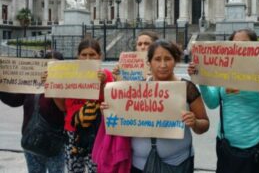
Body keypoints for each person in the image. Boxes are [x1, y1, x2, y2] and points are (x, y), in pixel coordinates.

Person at [188, 28, 259, 173]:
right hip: (226, 144)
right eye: (235, 44)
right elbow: (212, 103)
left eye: (245, 44)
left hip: (256, 144)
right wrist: (201, 80)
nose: (240, 48)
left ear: (255, 47)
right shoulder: (224, 71)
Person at [128, 39, 209, 173]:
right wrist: (109, 110)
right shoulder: (137, 89)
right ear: (149, 62)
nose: (163, 64)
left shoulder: (187, 88)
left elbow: (204, 124)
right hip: (138, 165)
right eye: (157, 59)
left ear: (175, 61)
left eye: (168, 59)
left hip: (177, 164)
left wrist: (195, 123)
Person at [92, 31, 159, 173]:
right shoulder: (126, 68)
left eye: (147, 43)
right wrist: (116, 80)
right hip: (130, 134)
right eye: (139, 44)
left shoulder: (161, 69)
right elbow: (117, 99)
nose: (142, 47)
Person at [45, 38, 114, 173]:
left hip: (96, 133)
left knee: (97, 169)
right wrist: (50, 87)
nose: (88, 58)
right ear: (78, 56)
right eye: (84, 55)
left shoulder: (107, 75)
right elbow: (63, 107)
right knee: (73, 170)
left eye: (92, 54)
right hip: (72, 132)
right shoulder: (69, 76)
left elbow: (111, 103)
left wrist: (103, 83)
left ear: (99, 56)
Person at [0, 51, 65, 173]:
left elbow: (64, 108)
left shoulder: (66, 87)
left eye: (55, 66)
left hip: (55, 146)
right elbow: (14, 100)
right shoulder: (32, 84)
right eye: (47, 64)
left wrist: (53, 86)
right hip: (32, 142)